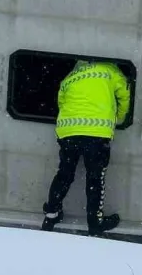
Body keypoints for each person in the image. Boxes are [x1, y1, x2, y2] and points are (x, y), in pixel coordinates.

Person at [41, 59, 132, 235]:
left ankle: (51, 215)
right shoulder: (110, 70)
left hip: (68, 132)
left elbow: (61, 102)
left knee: (64, 174)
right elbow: (124, 95)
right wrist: (120, 119)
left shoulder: (71, 76)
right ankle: (95, 223)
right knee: (95, 178)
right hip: (96, 133)